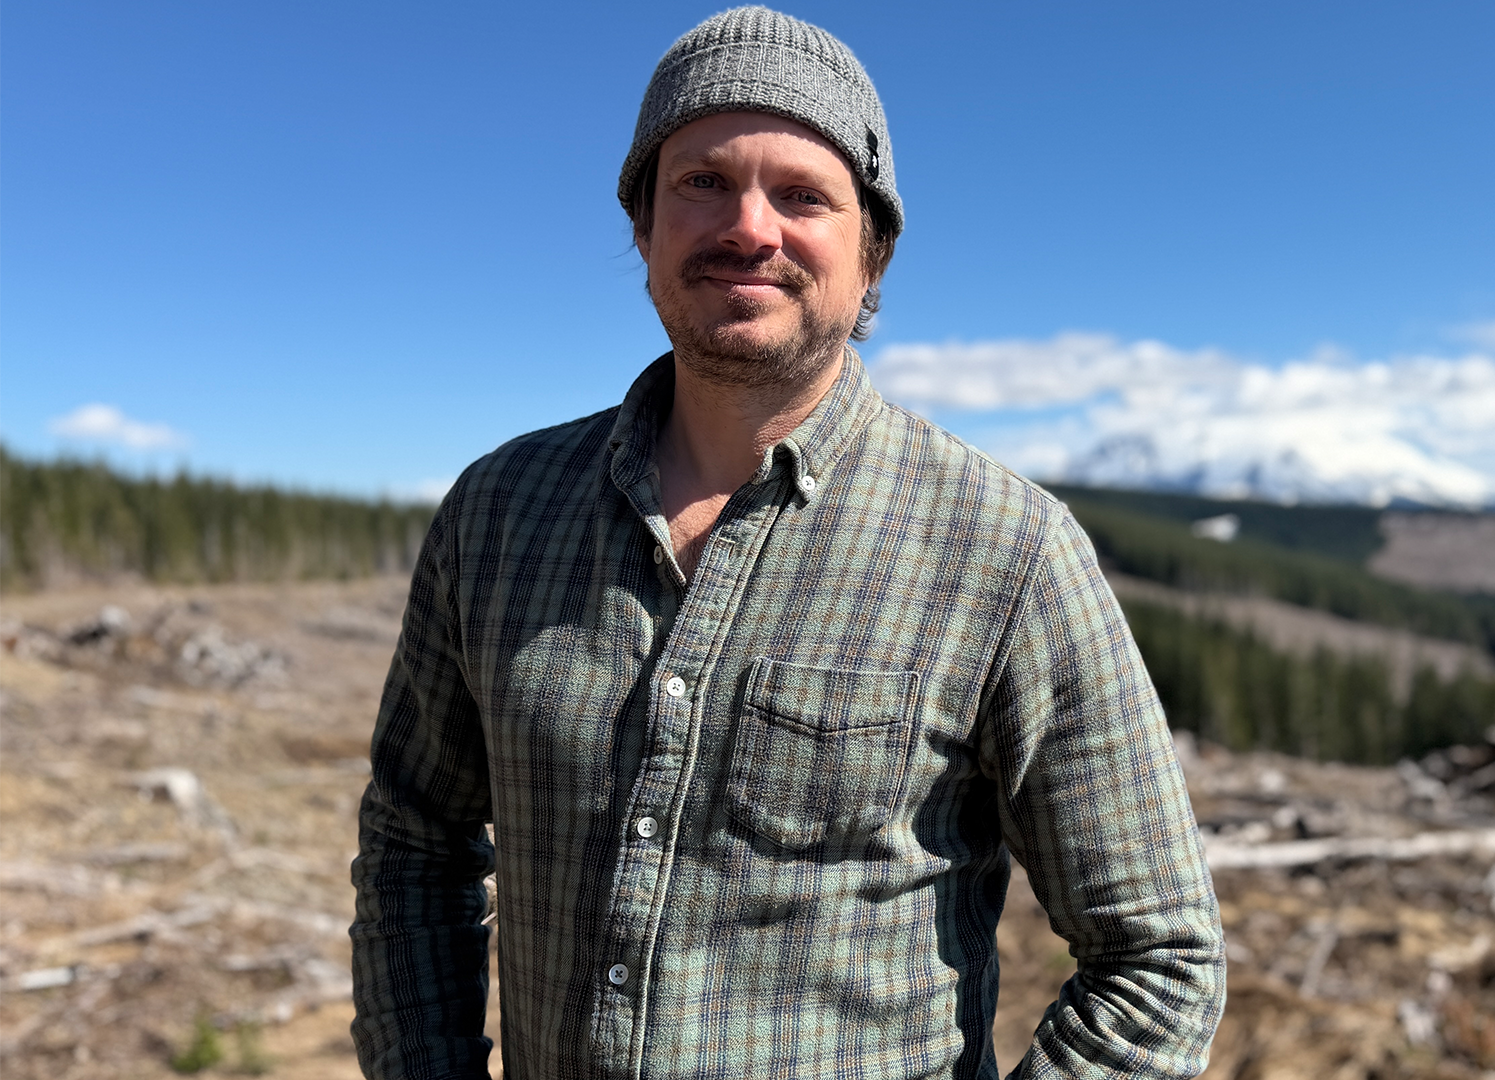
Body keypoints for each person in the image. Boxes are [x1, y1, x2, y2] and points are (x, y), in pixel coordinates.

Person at [349, 7, 1224, 1078]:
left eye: (803, 195)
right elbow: (414, 846)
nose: (748, 227)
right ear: (643, 226)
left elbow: (1159, 959)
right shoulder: (498, 511)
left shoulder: (1007, 551)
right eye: (702, 181)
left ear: (872, 252)